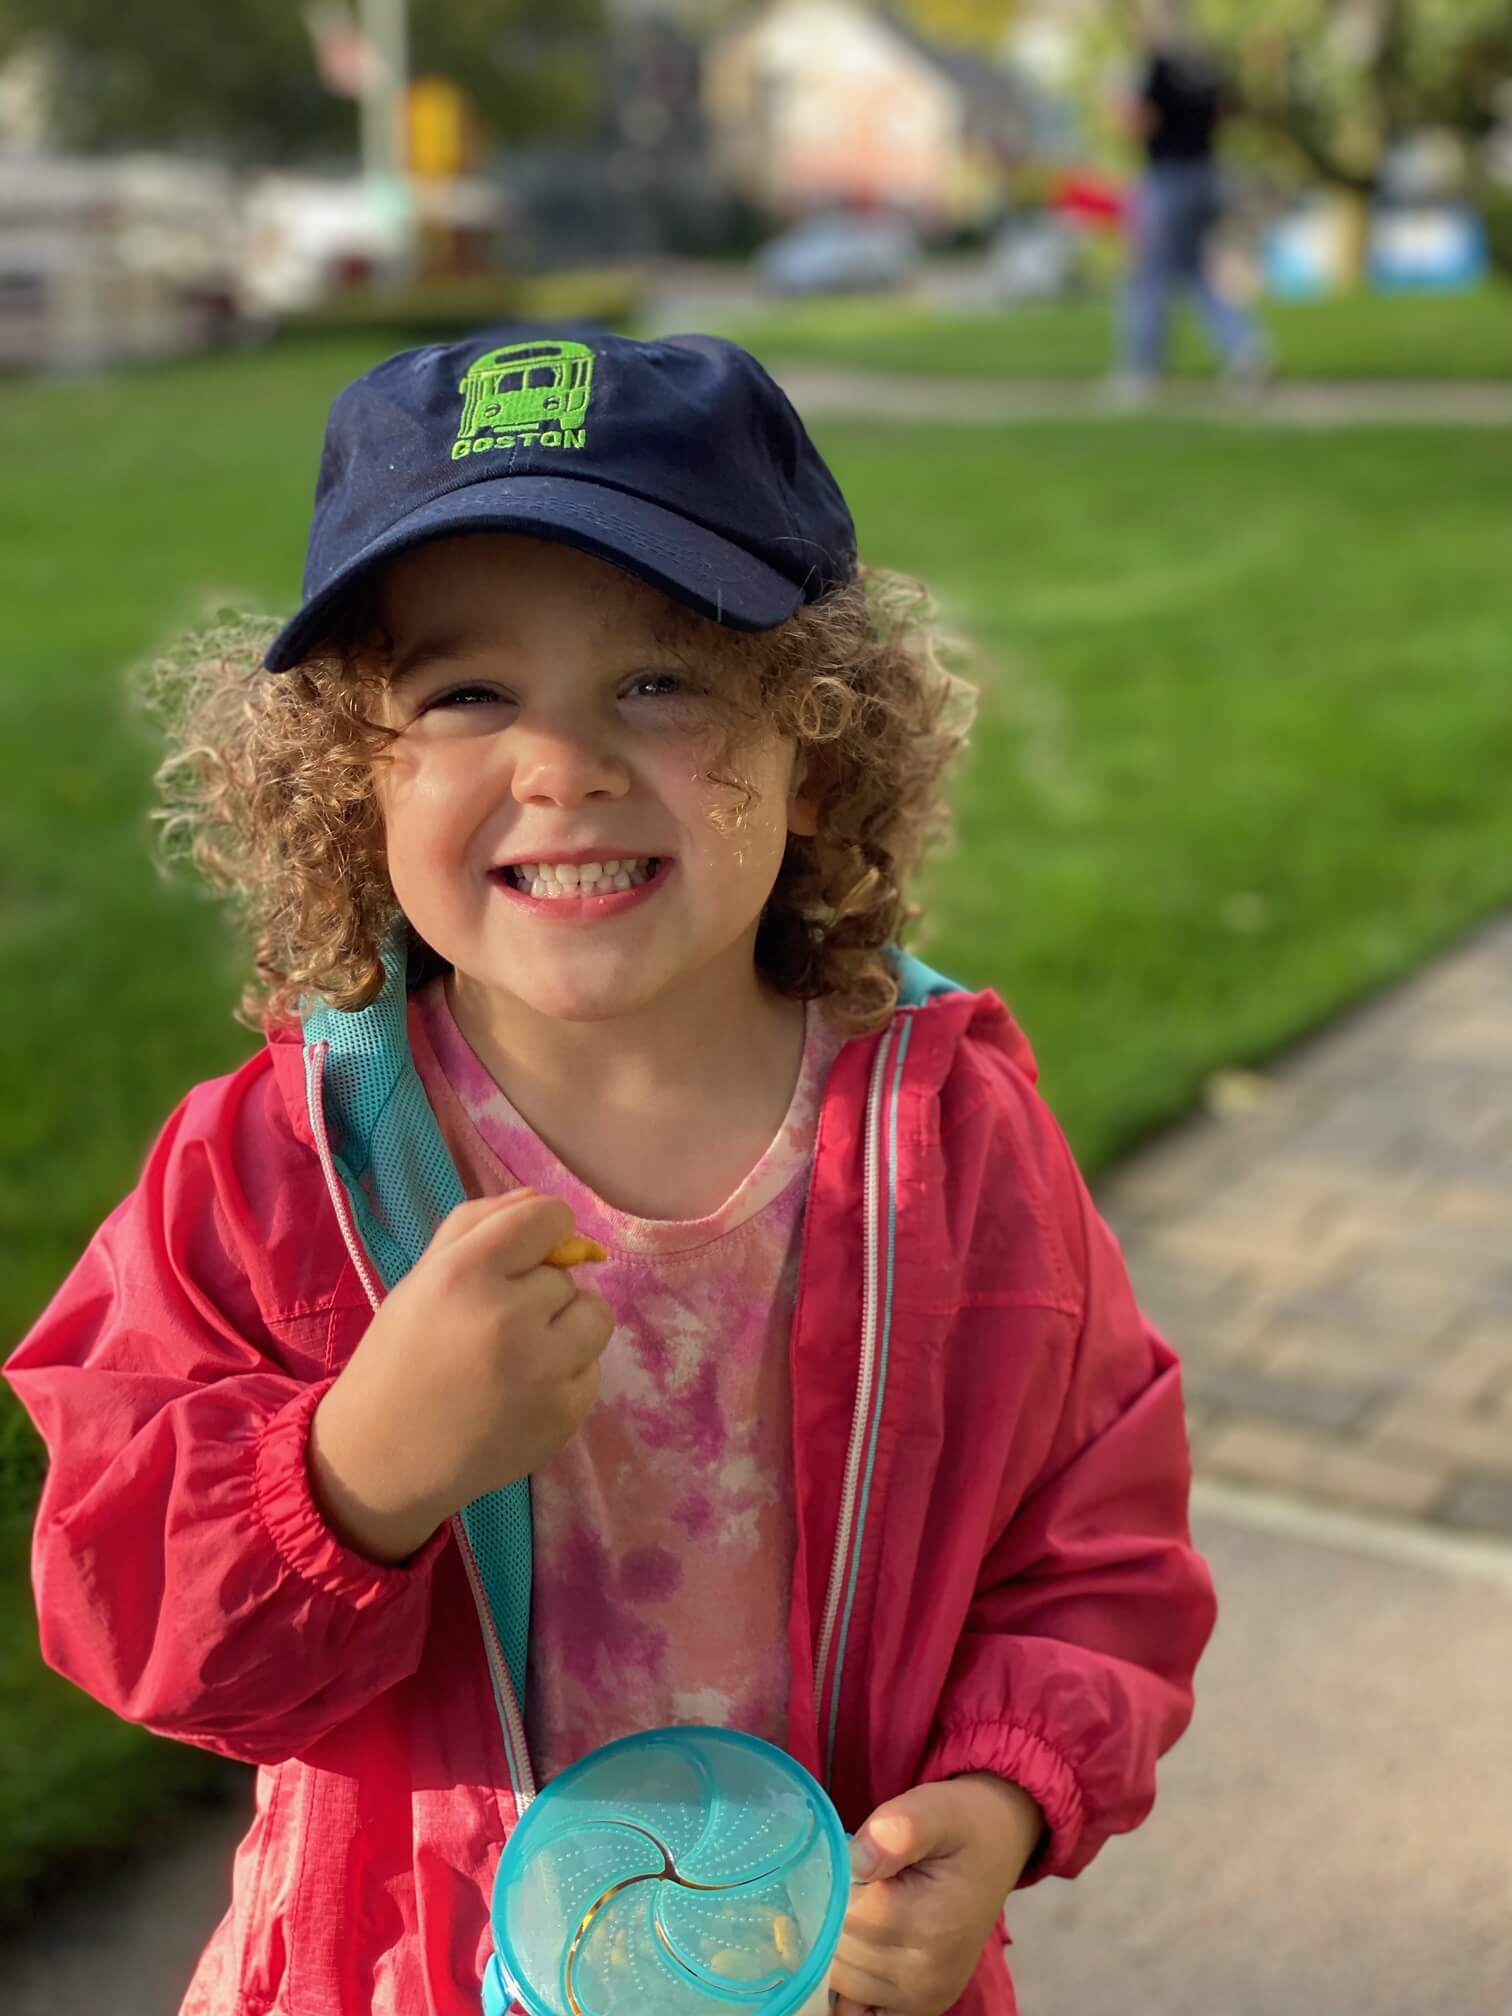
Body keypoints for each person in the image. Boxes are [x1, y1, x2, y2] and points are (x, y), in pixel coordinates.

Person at [5, 327, 1217, 2016]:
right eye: (465, 693)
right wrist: (352, 1472)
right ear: (353, 773)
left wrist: (1006, 1795)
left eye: (660, 680)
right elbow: (131, 1611)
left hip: (828, 1972)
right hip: (396, 1969)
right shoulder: (277, 1173)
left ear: (820, 744)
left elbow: (1093, 1541)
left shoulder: (943, 1141)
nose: (561, 762)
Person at [1117, 0, 1271, 397]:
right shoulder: (1204, 68)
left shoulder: (1157, 67)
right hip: (1207, 175)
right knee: (1196, 273)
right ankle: (1245, 347)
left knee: (1149, 278)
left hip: (1168, 178)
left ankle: (1142, 371)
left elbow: (1143, 123)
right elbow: (1229, 112)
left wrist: (1121, 109)